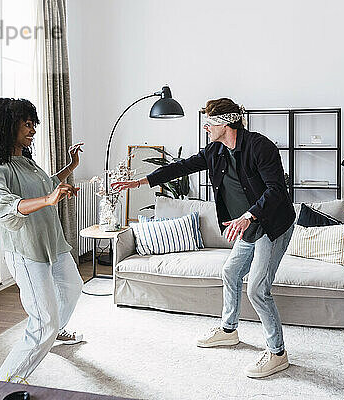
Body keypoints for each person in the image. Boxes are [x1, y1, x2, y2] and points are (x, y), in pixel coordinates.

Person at [112, 98, 296, 378]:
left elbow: (276, 191)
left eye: (210, 122)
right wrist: (140, 182)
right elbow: (180, 167)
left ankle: (277, 353)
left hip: (271, 225)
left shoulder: (260, 147)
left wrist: (248, 215)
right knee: (231, 272)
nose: (206, 127)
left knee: (257, 290)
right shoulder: (215, 151)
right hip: (245, 227)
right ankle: (228, 330)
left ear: (226, 123)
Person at [0, 98, 85, 382]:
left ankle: (57, 330)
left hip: (51, 240)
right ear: (8, 126)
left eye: (34, 123)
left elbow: (46, 184)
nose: (33, 129)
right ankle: (4, 381)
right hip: (26, 247)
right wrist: (48, 199)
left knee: (72, 285)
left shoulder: (24, 159)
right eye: (27, 124)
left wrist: (70, 168)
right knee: (43, 320)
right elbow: (0, 204)